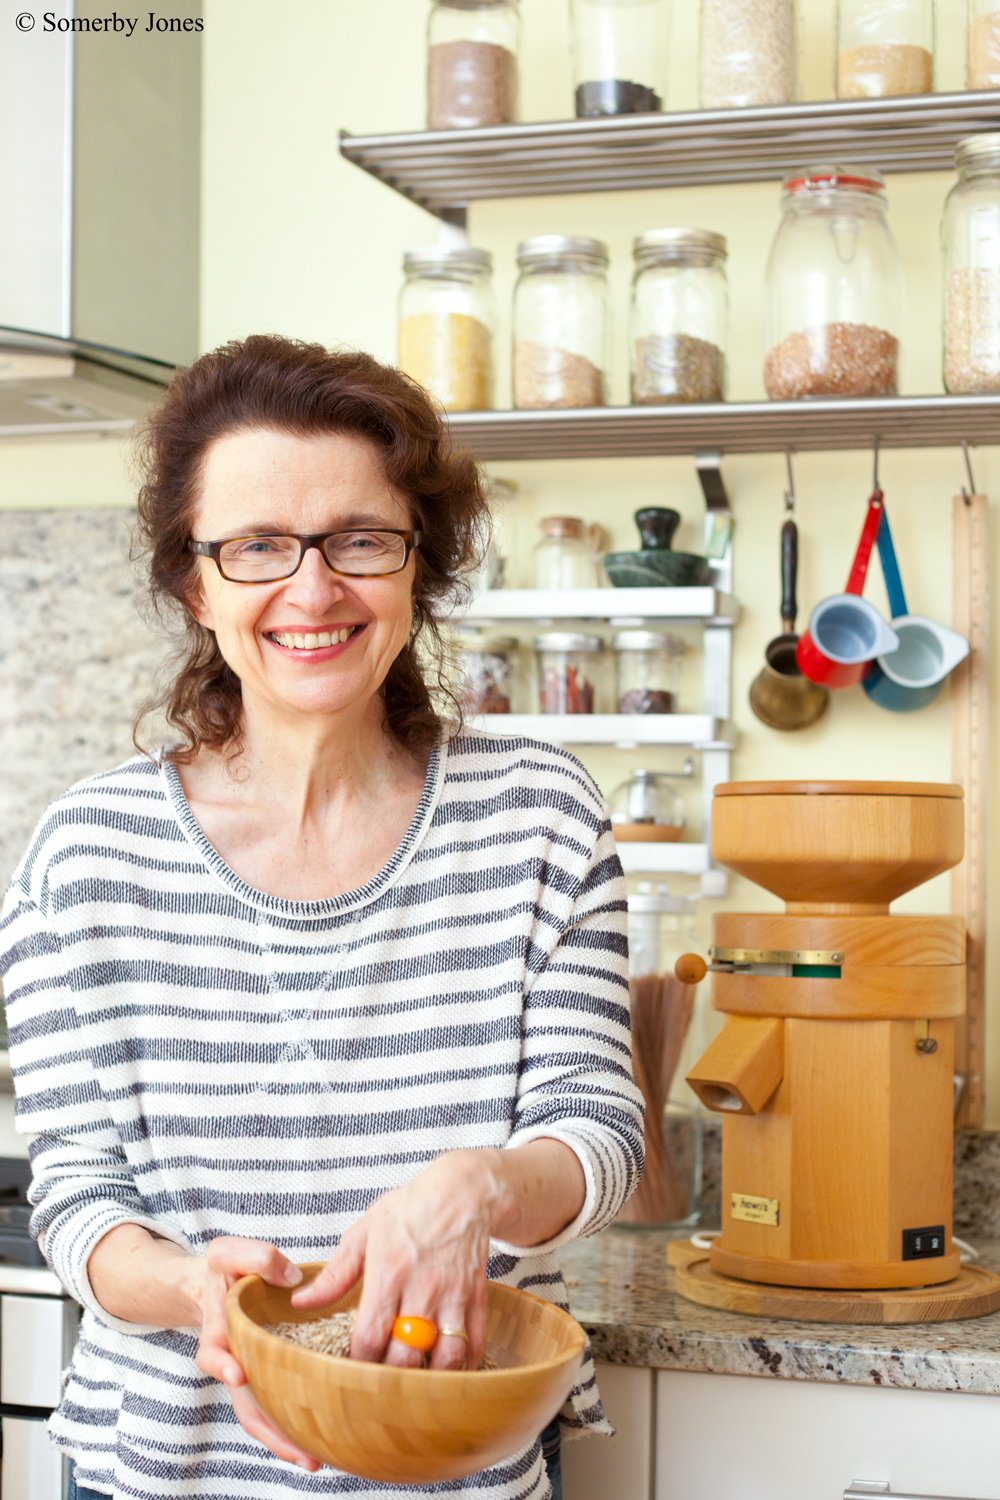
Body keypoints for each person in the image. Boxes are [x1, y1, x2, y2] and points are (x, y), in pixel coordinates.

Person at [0, 335, 644, 1500]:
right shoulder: (86, 857)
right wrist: (201, 1290)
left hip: (456, 1465)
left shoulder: (539, 818)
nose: (312, 589)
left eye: (358, 539)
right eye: (256, 546)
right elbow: (78, 1206)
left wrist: (475, 1187)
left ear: (417, 567)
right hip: (160, 1470)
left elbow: (595, 1130)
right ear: (196, 583)